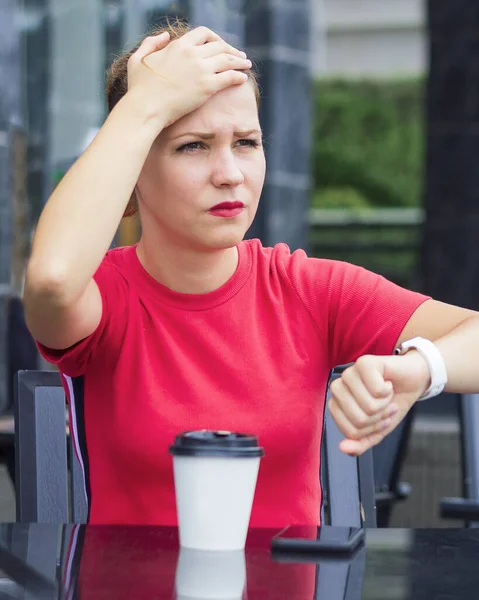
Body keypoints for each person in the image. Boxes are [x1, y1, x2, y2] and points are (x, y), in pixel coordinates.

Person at [23, 20, 479, 527]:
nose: (230, 174)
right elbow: (51, 281)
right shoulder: (106, 298)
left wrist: (421, 368)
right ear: (130, 174)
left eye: (246, 142)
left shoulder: (306, 290)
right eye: (192, 145)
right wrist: (144, 106)